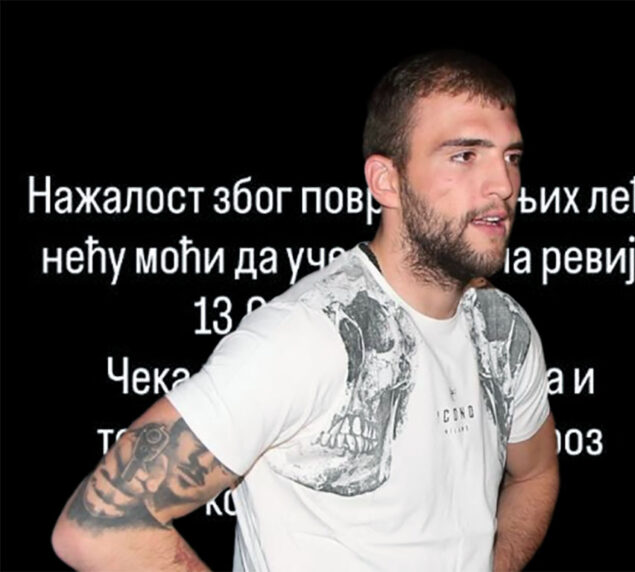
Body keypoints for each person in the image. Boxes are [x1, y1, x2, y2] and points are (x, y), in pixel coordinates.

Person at [52, 50, 559, 572]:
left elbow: (535, 473)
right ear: (386, 181)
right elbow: (97, 529)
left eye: (511, 157)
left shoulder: (504, 329)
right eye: (465, 155)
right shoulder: (307, 334)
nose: (503, 184)